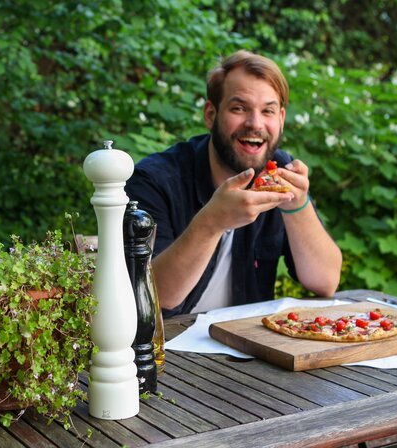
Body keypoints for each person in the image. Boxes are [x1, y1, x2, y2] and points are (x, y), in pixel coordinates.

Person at [125, 50, 342, 317]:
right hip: (169, 347)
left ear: (281, 119)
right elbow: (156, 295)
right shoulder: (154, 180)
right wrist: (212, 222)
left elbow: (326, 281)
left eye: (268, 111)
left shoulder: (281, 171)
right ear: (210, 114)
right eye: (239, 108)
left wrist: (297, 205)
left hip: (247, 344)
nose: (255, 123)